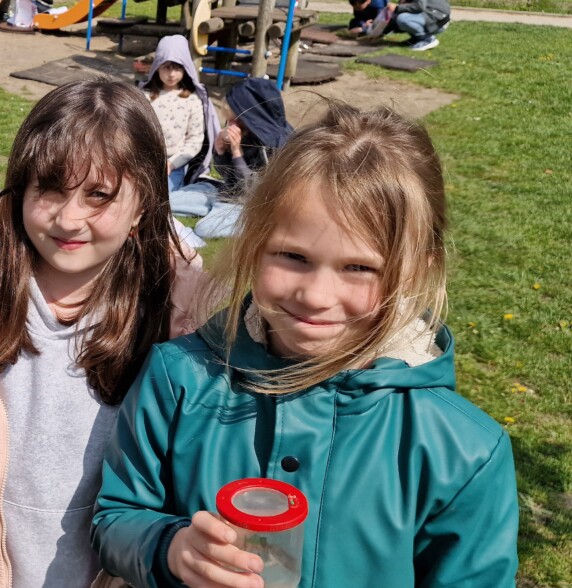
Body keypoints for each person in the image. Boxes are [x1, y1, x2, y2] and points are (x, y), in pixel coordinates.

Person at [91, 104, 519, 588]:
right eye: (293, 256)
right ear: (254, 240)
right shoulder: (178, 379)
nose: (315, 296)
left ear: (418, 268)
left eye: (359, 268)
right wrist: (170, 549)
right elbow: (117, 516)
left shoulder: (463, 450)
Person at [0, 80, 207, 588]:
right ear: (21, 185)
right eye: (50, 187)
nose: (69, 218)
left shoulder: (177, 302)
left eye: (99, 195)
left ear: (143, 203)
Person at [169, 77, 293, 241]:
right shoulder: (245, 130)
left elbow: (253, 190)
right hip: (225, 192)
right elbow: (226, 175)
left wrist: (237, 153)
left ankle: (254, 223)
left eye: (235, 115)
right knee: (166, 202)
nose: (231, 121)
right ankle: (212, 210)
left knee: (203, 229)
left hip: (248, 203)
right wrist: (220, 152)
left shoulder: (276, 146)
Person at [139, 35, 220, 193]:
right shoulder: (145, 97)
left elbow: (195, 140)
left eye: (177, 68)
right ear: (157, 67)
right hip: (145, 161)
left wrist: (172, 163)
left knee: (165, 196)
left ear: (185, 68)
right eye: (166, 67)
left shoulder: (192, 100)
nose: (171, 74)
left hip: (174, 165)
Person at [386, 0, 451, 51]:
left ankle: (427, 39)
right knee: (401, 15)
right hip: (434, 16)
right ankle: (416, 39)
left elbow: (419, 6)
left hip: (438, 21)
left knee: (402, 19)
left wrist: (397, 8)